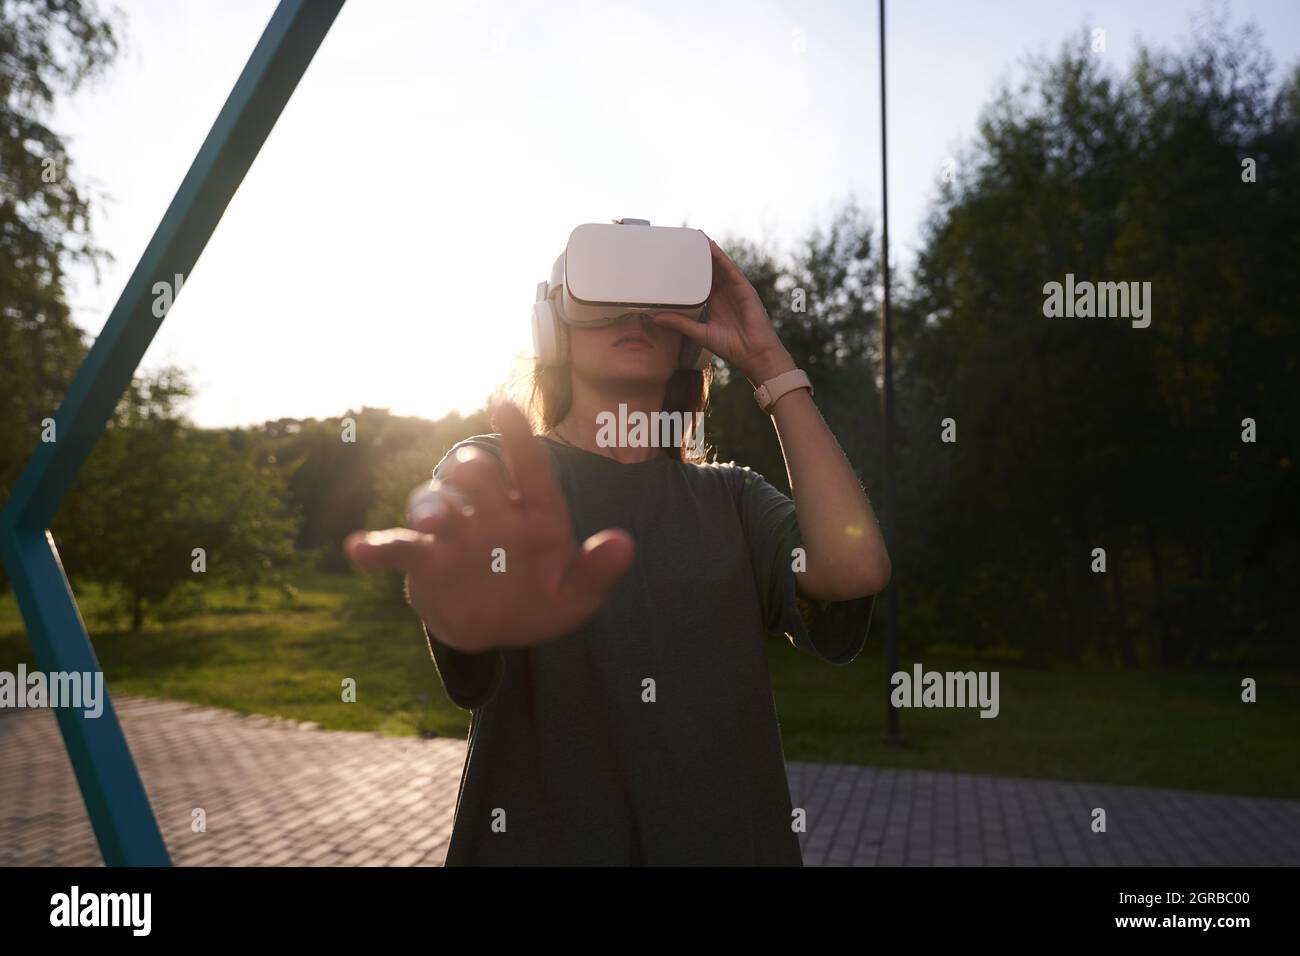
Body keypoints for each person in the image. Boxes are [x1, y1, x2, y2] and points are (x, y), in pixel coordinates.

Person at [344, 235, 890, 865]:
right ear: (552, 330)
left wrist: (770, 364)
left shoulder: (734, 499)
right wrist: (461, 608)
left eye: (656, 301)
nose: (633, 316)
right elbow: (465, 546)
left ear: (691, 340)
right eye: (603, 297)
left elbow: (854, 568)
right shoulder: (502, 470)